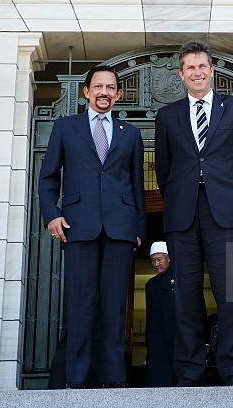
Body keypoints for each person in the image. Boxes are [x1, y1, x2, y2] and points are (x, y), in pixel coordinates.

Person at [155, 41, 233, 386]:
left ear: (211, 70)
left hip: (226, 214)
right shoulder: (167, 115)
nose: (197, 72)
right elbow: (164, 169)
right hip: (183, 216)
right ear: (182, 74)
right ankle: (190, 372)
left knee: (230, 295)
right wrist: (176, 201)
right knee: (185, 296)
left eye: (202, 66)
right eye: (190, 68)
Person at [38, 65, 146, 388]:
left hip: (120, 230)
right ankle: (78, 380)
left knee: (115, 309)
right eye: (98, 86)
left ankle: (114, 381)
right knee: (81, 306)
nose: (104, 92)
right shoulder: (65, 127)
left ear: (118, 94)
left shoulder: (131, 133)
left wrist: (139, 227)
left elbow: (138, 185)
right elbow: (47, 179)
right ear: (86, 92)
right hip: (78, 226)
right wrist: (50, 214)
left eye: (110, 88)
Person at [145, 241, 176, 387]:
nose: (156, 264)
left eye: (159, 259)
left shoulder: (180, 280)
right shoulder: (150, 285)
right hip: (157, 339)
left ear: (168, 258)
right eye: (153, 260)